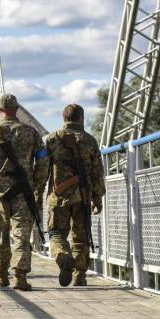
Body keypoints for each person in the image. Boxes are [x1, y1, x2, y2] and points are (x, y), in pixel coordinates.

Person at [0, 94, 49, 291]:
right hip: (24, 194)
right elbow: (43, 161)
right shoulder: (32, 133)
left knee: (0, 233)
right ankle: (20, 276)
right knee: (22, 236)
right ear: (16, 109)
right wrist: (38, 186)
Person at [44, 104, 105, 287]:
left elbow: (41, 167)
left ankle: (63, 256)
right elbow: (97, 172)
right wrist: (97, 198)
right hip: (83, 196)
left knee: (56, 233)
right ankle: (80, 275)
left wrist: (39, 189)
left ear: (64, 118)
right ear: (81, 118)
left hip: (59, 196)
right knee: (81, 236)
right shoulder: (90, 141)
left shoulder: (52, 139)